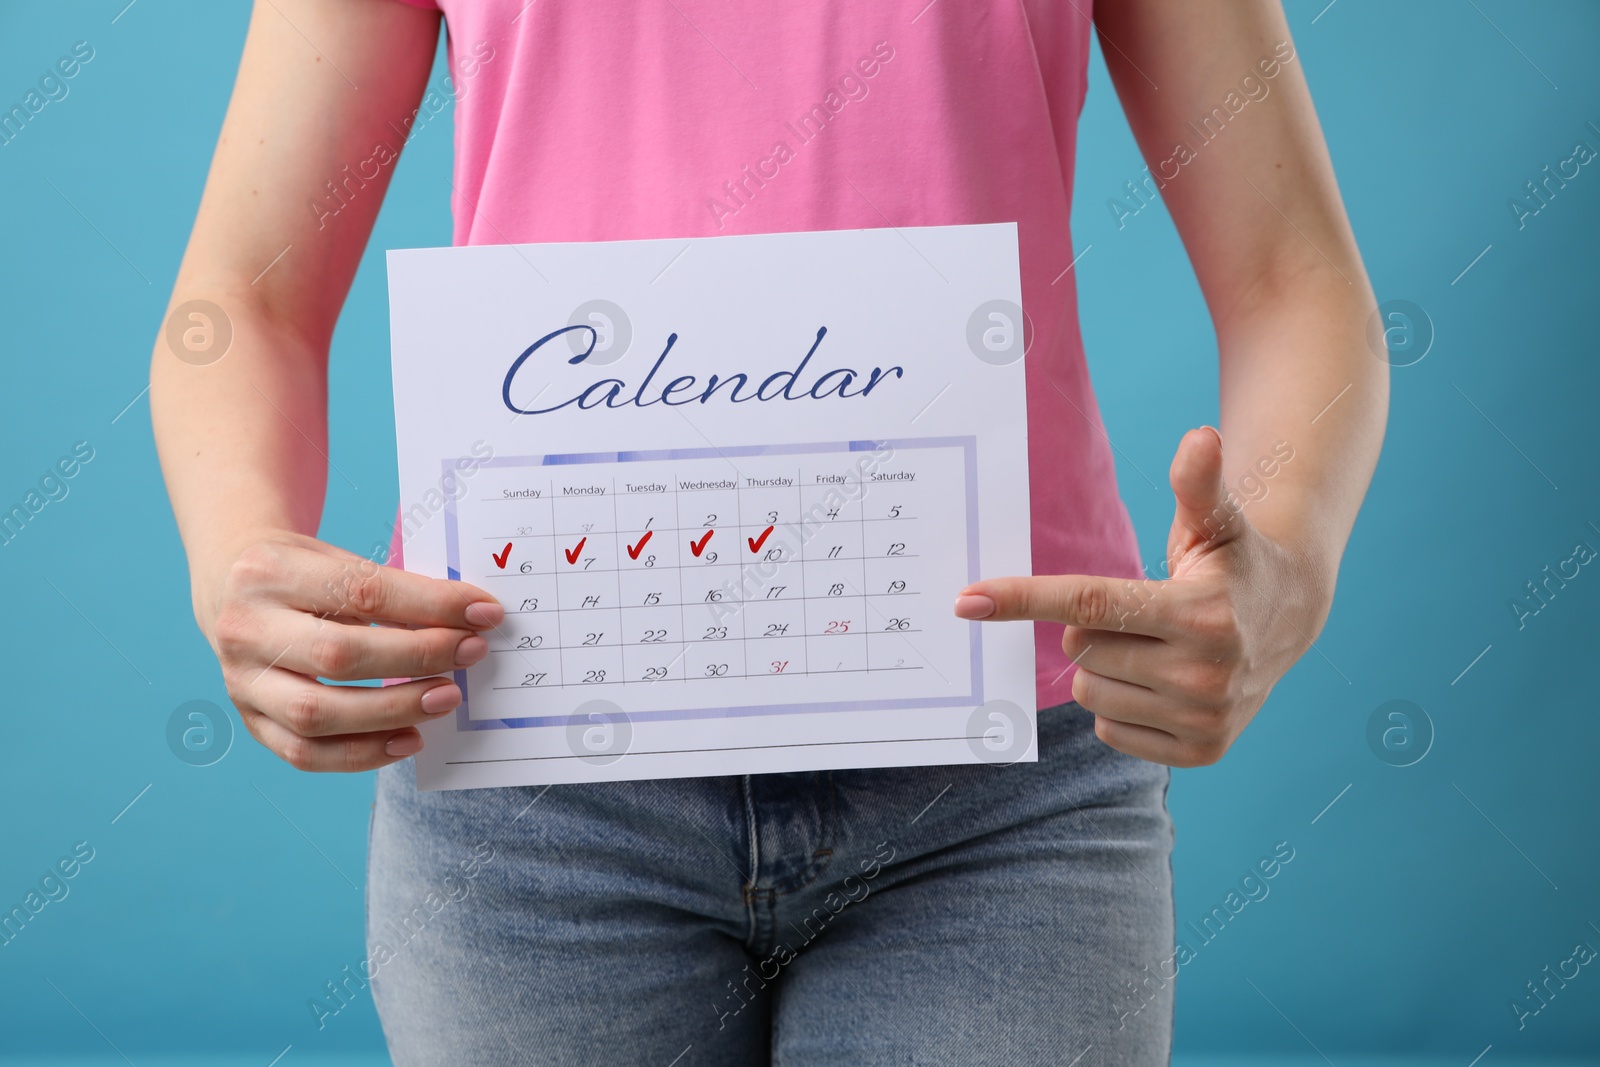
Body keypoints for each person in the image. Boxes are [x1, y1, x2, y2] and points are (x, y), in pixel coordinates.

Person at [150, 0, 1385, 1062]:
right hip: (534, 789)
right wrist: (236, 550)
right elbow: (244, 298)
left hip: (1009, 776)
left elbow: (1293, 275)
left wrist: (1287, 560)